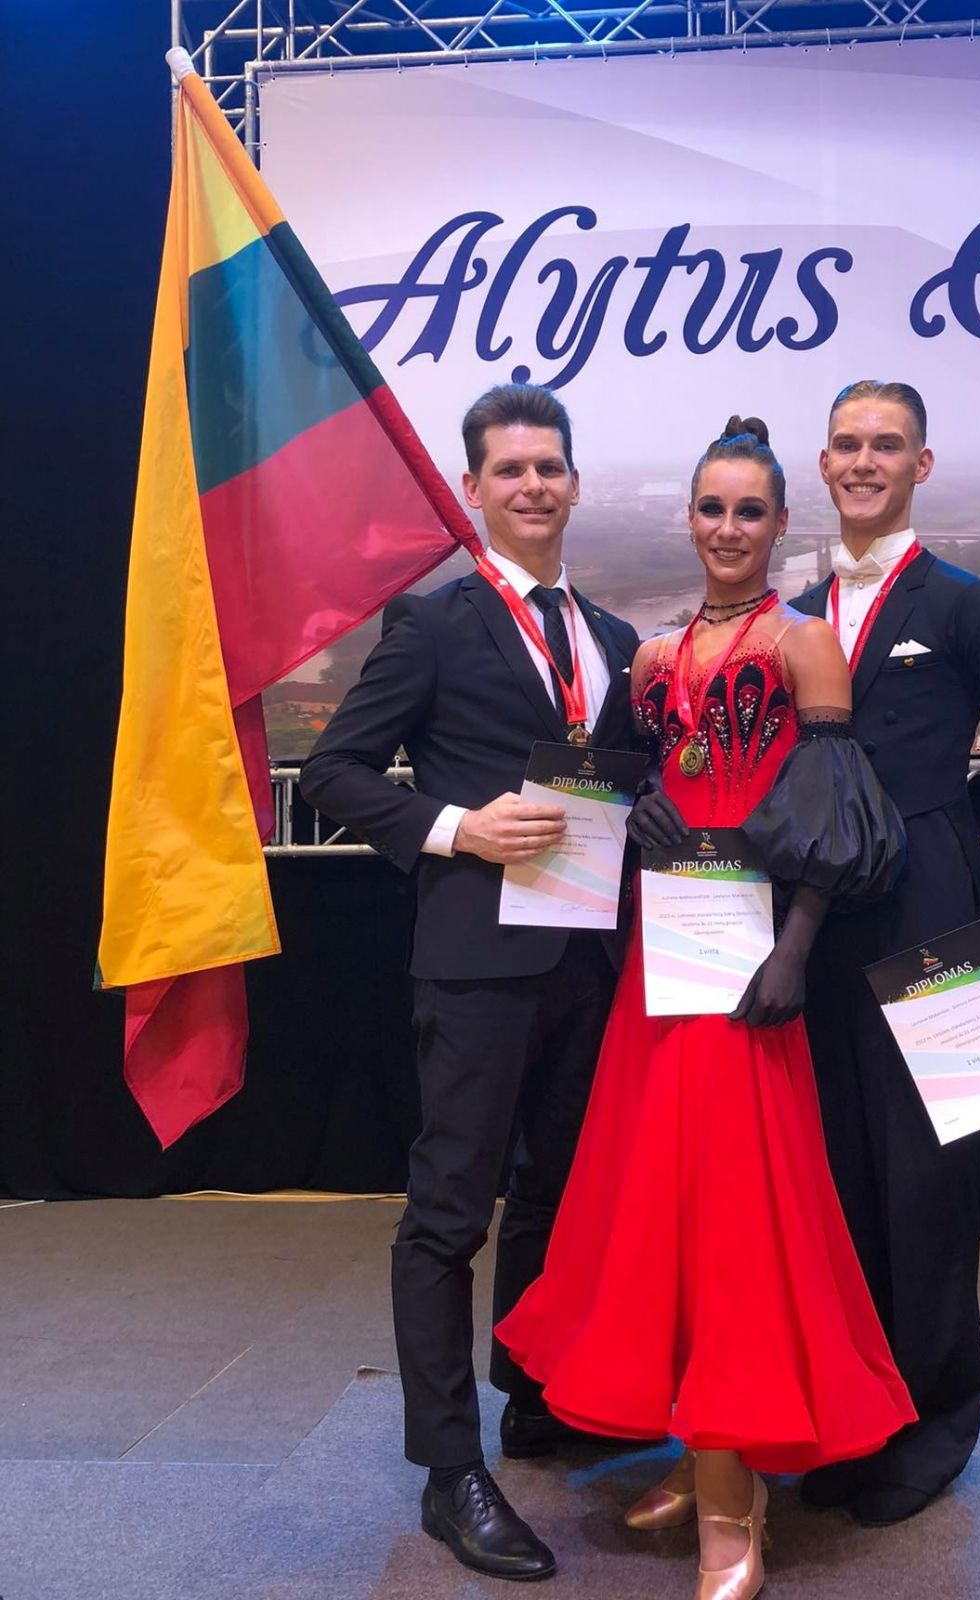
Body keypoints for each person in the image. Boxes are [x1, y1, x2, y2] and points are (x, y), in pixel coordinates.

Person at [495, 417, 917, 1600]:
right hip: (661, 959)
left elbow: (835, 822)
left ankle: (735, 1503)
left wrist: (794, 951)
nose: (727, 528)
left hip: (748, 971)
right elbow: (639, 785)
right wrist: (634, 818)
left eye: (749, 510)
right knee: (663, 1207)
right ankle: (697, 1447)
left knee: (734, 1215)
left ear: (780, 524)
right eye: (711, 507)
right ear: (688, 517)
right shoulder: (650, 658)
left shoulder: (802, 645)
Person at [300, 384, 641, 1583]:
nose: (532, 485)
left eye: (549, 467)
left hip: (589, 960)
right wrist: (456, 827)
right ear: (473, 489)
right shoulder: (433, 625)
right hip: (477, 964)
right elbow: (333, 772)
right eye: (510, 470)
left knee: (557, 1195)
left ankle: (532, 1399)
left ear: (574, 483)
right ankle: (449, 1469)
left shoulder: (615, 639)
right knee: (449, 1214)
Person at [790, 379, 980, 1527]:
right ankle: (853, 1413)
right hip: (812, 933)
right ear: (822, 462)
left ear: (920, 465)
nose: (862, 461)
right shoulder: (794, 611)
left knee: (929, 1187)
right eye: (845, 443)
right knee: (837, 1185)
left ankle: (932, 1429)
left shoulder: (966, 604)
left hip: (935, 923)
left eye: (886, 445)